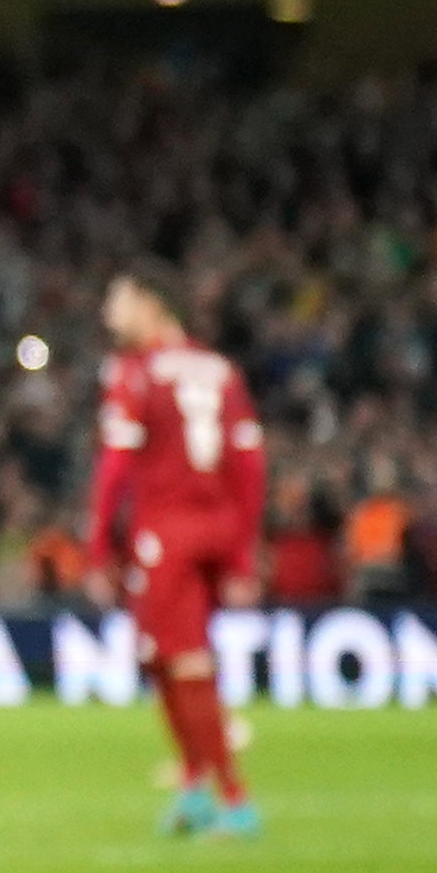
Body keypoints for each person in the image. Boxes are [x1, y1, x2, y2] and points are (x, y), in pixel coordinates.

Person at [88, 272, 264, 838]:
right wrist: (241, 551)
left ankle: (234, 799)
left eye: (118, 300)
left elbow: (114, 468)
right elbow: (249, 466)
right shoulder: (220, 369)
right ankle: (194, 787)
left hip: (167, 530)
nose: (110, 313)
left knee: (182, 660)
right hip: (217, 523)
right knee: (167, 657)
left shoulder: (135, 373)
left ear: (151, 303)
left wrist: (96, 549)